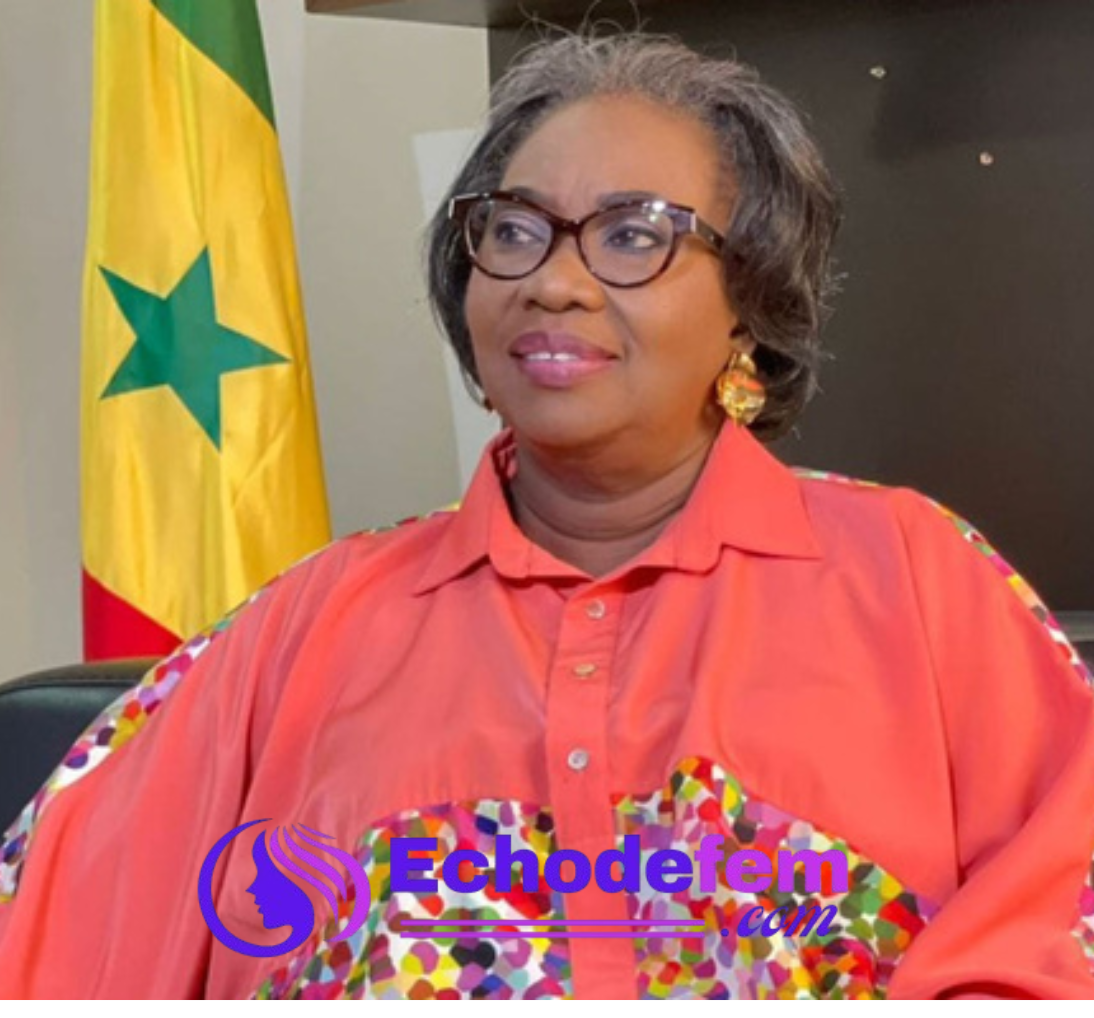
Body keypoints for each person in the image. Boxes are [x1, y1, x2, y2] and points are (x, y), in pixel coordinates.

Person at [2, 31, 1093, 1000]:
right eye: (514, 230)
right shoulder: (307, 626)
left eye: (633, 235)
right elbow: (50, 937)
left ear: (748, 307)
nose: (553, 282)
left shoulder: (914, 578)